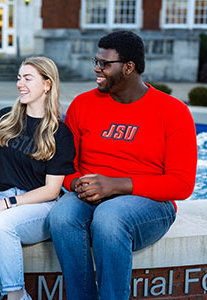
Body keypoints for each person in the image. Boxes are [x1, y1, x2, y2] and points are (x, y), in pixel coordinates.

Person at [47, 30, 198, 300]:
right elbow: (65, 165)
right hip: (90, 194)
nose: (97, 68)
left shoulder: (173, 111)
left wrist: (116, 185)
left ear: (129, 67)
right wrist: (78, 183)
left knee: (110, 216)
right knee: (61, 216)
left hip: (149, 202)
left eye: (105, 63)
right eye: (96, 61)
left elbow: (182, 184)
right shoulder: (83, 105)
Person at [0, 56, 76, 300]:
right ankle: (19, 296)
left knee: (2, 224)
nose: (20, 84)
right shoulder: (5, 117)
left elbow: (52, 190)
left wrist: (4, 206)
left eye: (28, 78)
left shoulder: (59, 133)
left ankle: (15, 297)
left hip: (40, 207)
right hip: (0, 199)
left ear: (47, 84)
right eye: (19, 78)